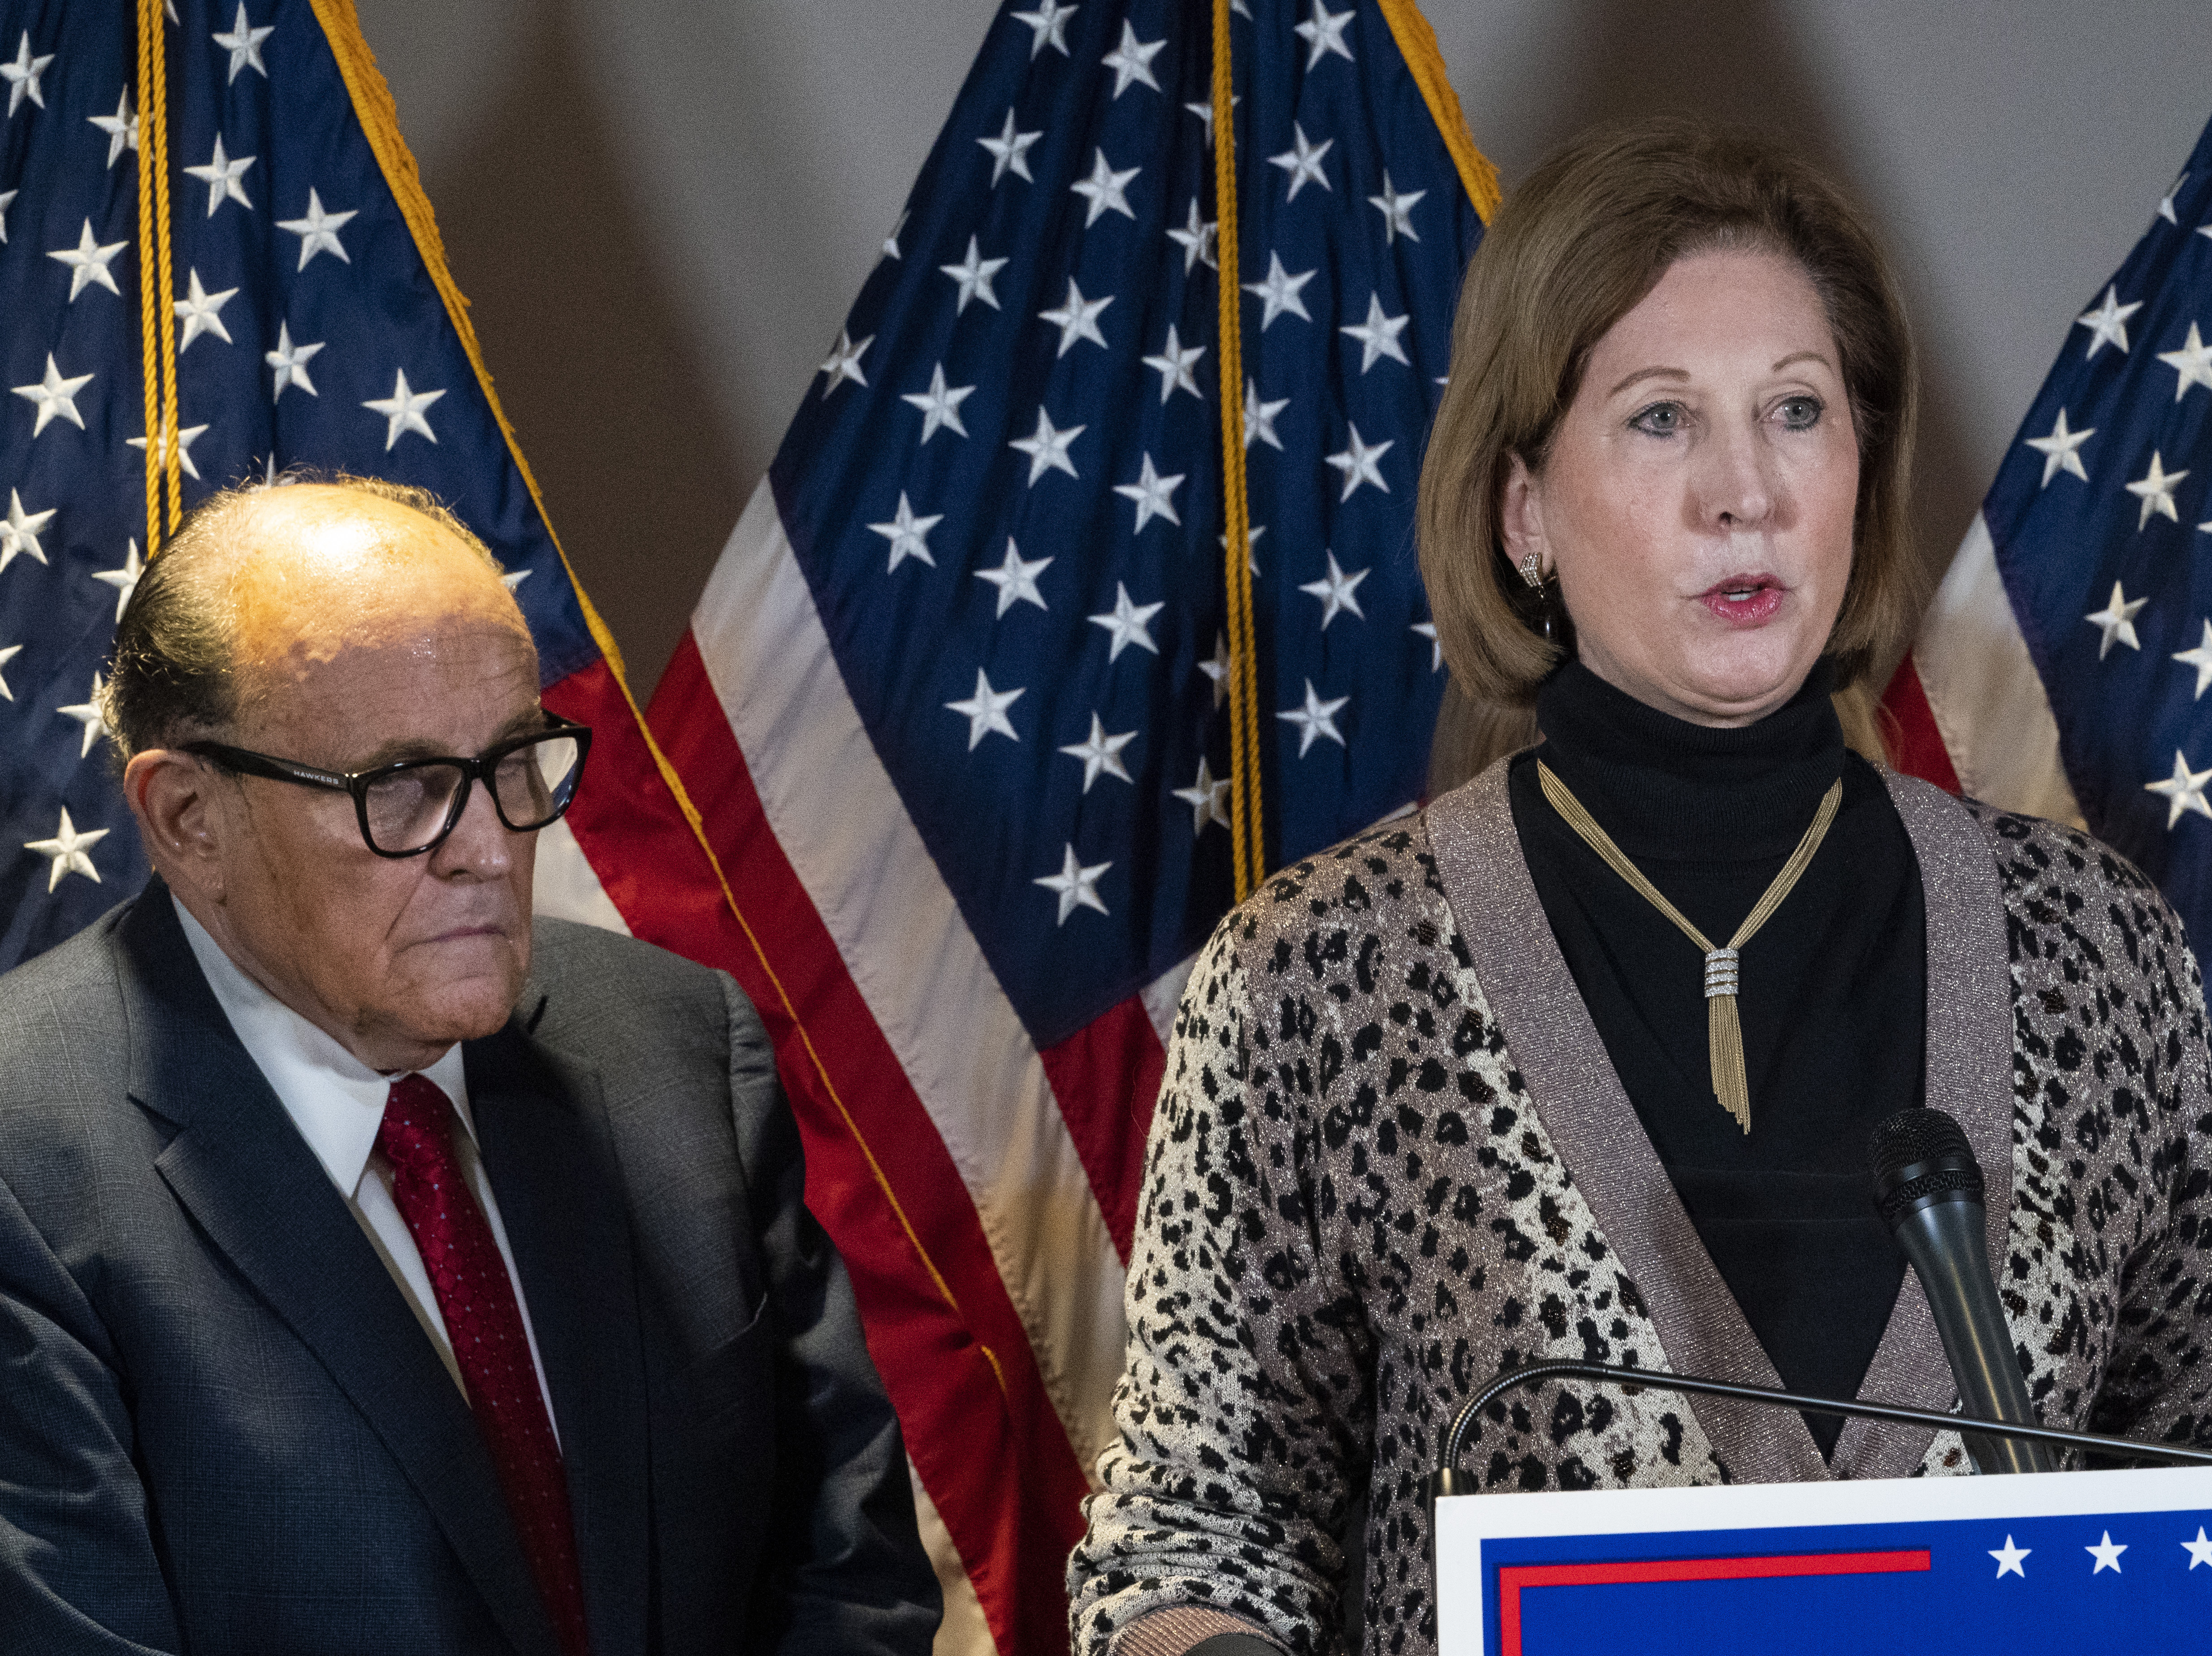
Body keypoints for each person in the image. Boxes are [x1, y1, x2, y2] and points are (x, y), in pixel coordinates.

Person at [1068, 119, 2212, 1656]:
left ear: (1861, 473)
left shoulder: (2096, 951)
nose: (1746, 493)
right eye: (1663, 420)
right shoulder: (1318, 976)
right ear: (1523, 507)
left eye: (1797, 412)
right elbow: (1191, 1536)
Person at [0, 476, 940, 1655]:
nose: (493, 851)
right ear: (190, 818)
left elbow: (851, 1580)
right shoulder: (24, 1165)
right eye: (404, 786)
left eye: (514, 761)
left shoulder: (681, 1048)